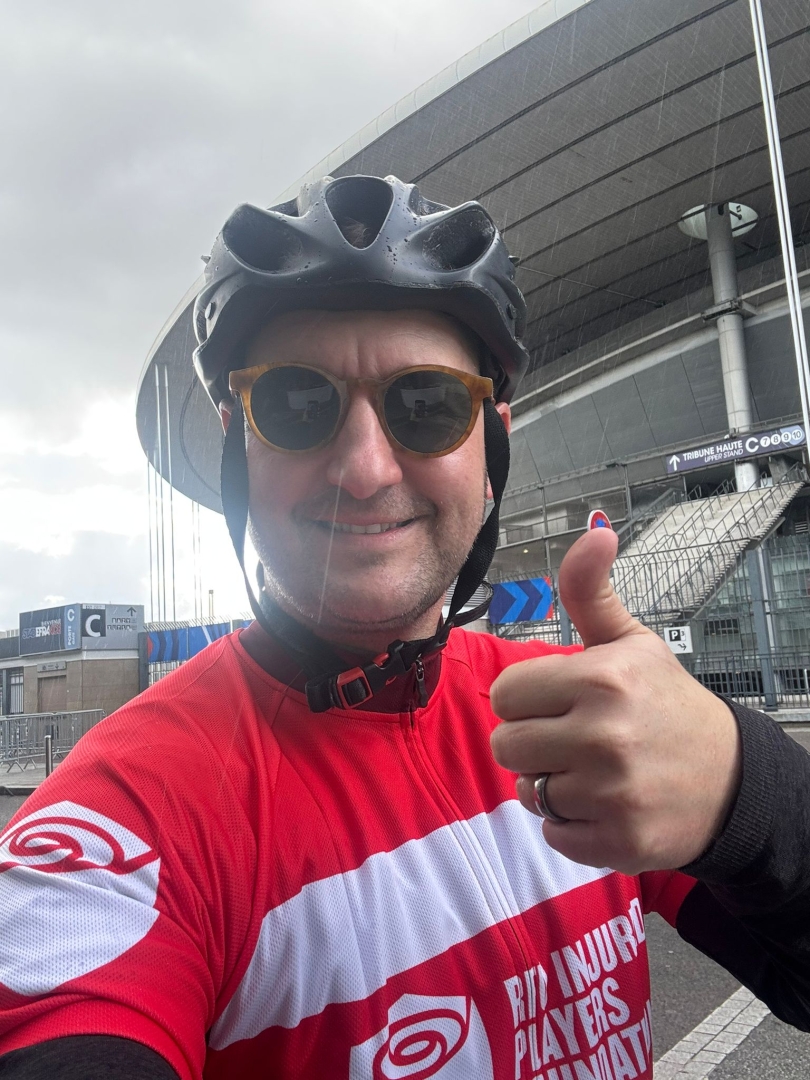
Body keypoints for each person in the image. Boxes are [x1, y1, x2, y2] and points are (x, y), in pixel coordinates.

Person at [0, 174, 808, 1080]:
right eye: (297, 405)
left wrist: (745, 786)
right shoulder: (117, 826)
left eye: (426, 404)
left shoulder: (578, 723)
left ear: (493, 444)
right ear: (237, 444)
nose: (364, 470)